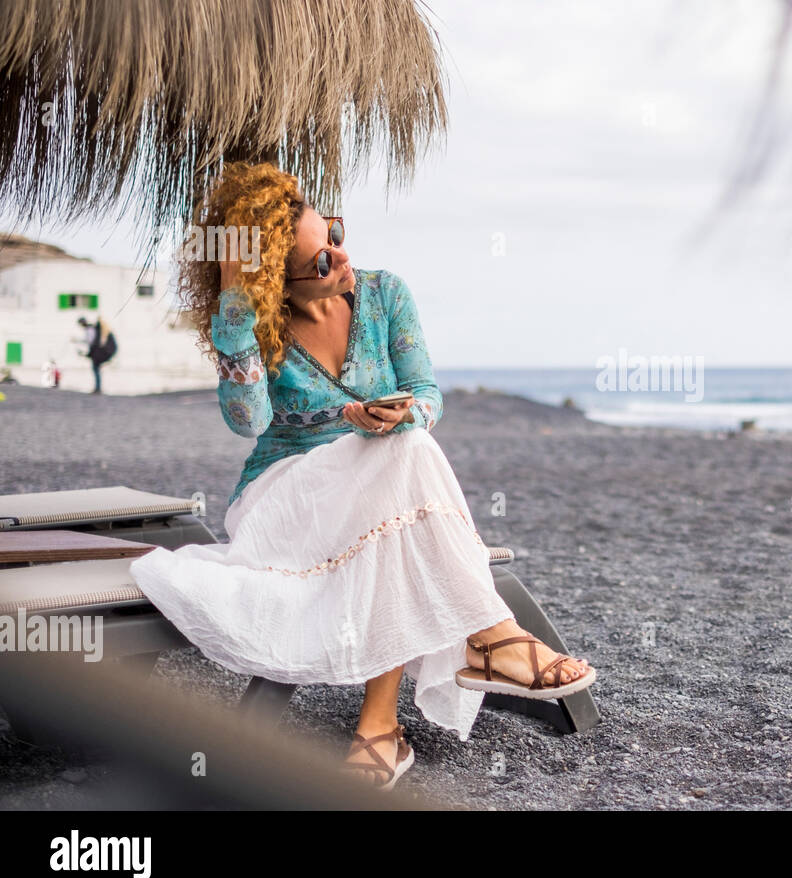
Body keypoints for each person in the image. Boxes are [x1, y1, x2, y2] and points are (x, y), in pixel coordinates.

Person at [127, 162, 595, 791]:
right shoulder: (256, 329)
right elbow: (248, 421)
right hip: (286, 498)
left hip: (382, 488)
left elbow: (428, 392)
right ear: (275, 285)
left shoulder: (384, 293)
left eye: (337, 236)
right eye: (320, 263)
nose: (341, 261)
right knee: (403, 461)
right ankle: (489, 640)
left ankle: (381, 726)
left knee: (404, 452)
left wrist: (403, 413)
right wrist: (238, 312)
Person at [76, 315, 115, 393]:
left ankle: (98, 388)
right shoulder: (91, 329)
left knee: (96, 369)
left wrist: (87, 353)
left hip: (97, 353)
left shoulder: (89, 329)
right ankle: (98, 387)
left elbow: (91, 342)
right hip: (97, 353)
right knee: (96, 370)